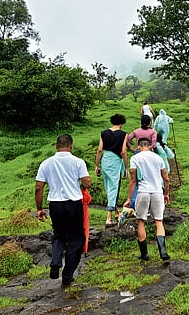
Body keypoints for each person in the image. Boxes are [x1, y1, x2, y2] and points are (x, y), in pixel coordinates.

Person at [35, 134, 91, 287]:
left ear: (56, 146)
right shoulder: (78, 162)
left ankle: (55, 263)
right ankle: (67, 276)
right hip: (73, 204)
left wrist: (39, 209)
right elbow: (87, 181)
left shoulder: (46, 163)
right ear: (71, 146)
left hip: (55, 204)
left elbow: (39, 187)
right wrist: (85, 183)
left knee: (58, 235)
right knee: (76, 239)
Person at [123, 138, 170, 261]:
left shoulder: (135, 158)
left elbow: (133, 179)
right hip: (157, 192)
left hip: (143, 192)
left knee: (141, 221)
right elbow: (166, 178)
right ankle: (163, 251)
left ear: (138, 147)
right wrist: (167, 193)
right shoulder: (158, 158)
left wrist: (129, 198)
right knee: (159, 221)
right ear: (150, 146)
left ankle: (144, 254)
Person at [95, 114, 129, 225]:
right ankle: (108, 216)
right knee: (114, 187)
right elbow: (123, 152)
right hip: (116, 161)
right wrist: (126, 167)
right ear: (122, 123)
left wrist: (97, 165)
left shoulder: (103, 133)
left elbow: (100, 150)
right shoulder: (123, 134)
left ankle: (116, 212)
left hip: (105, 160)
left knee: (109, 186)